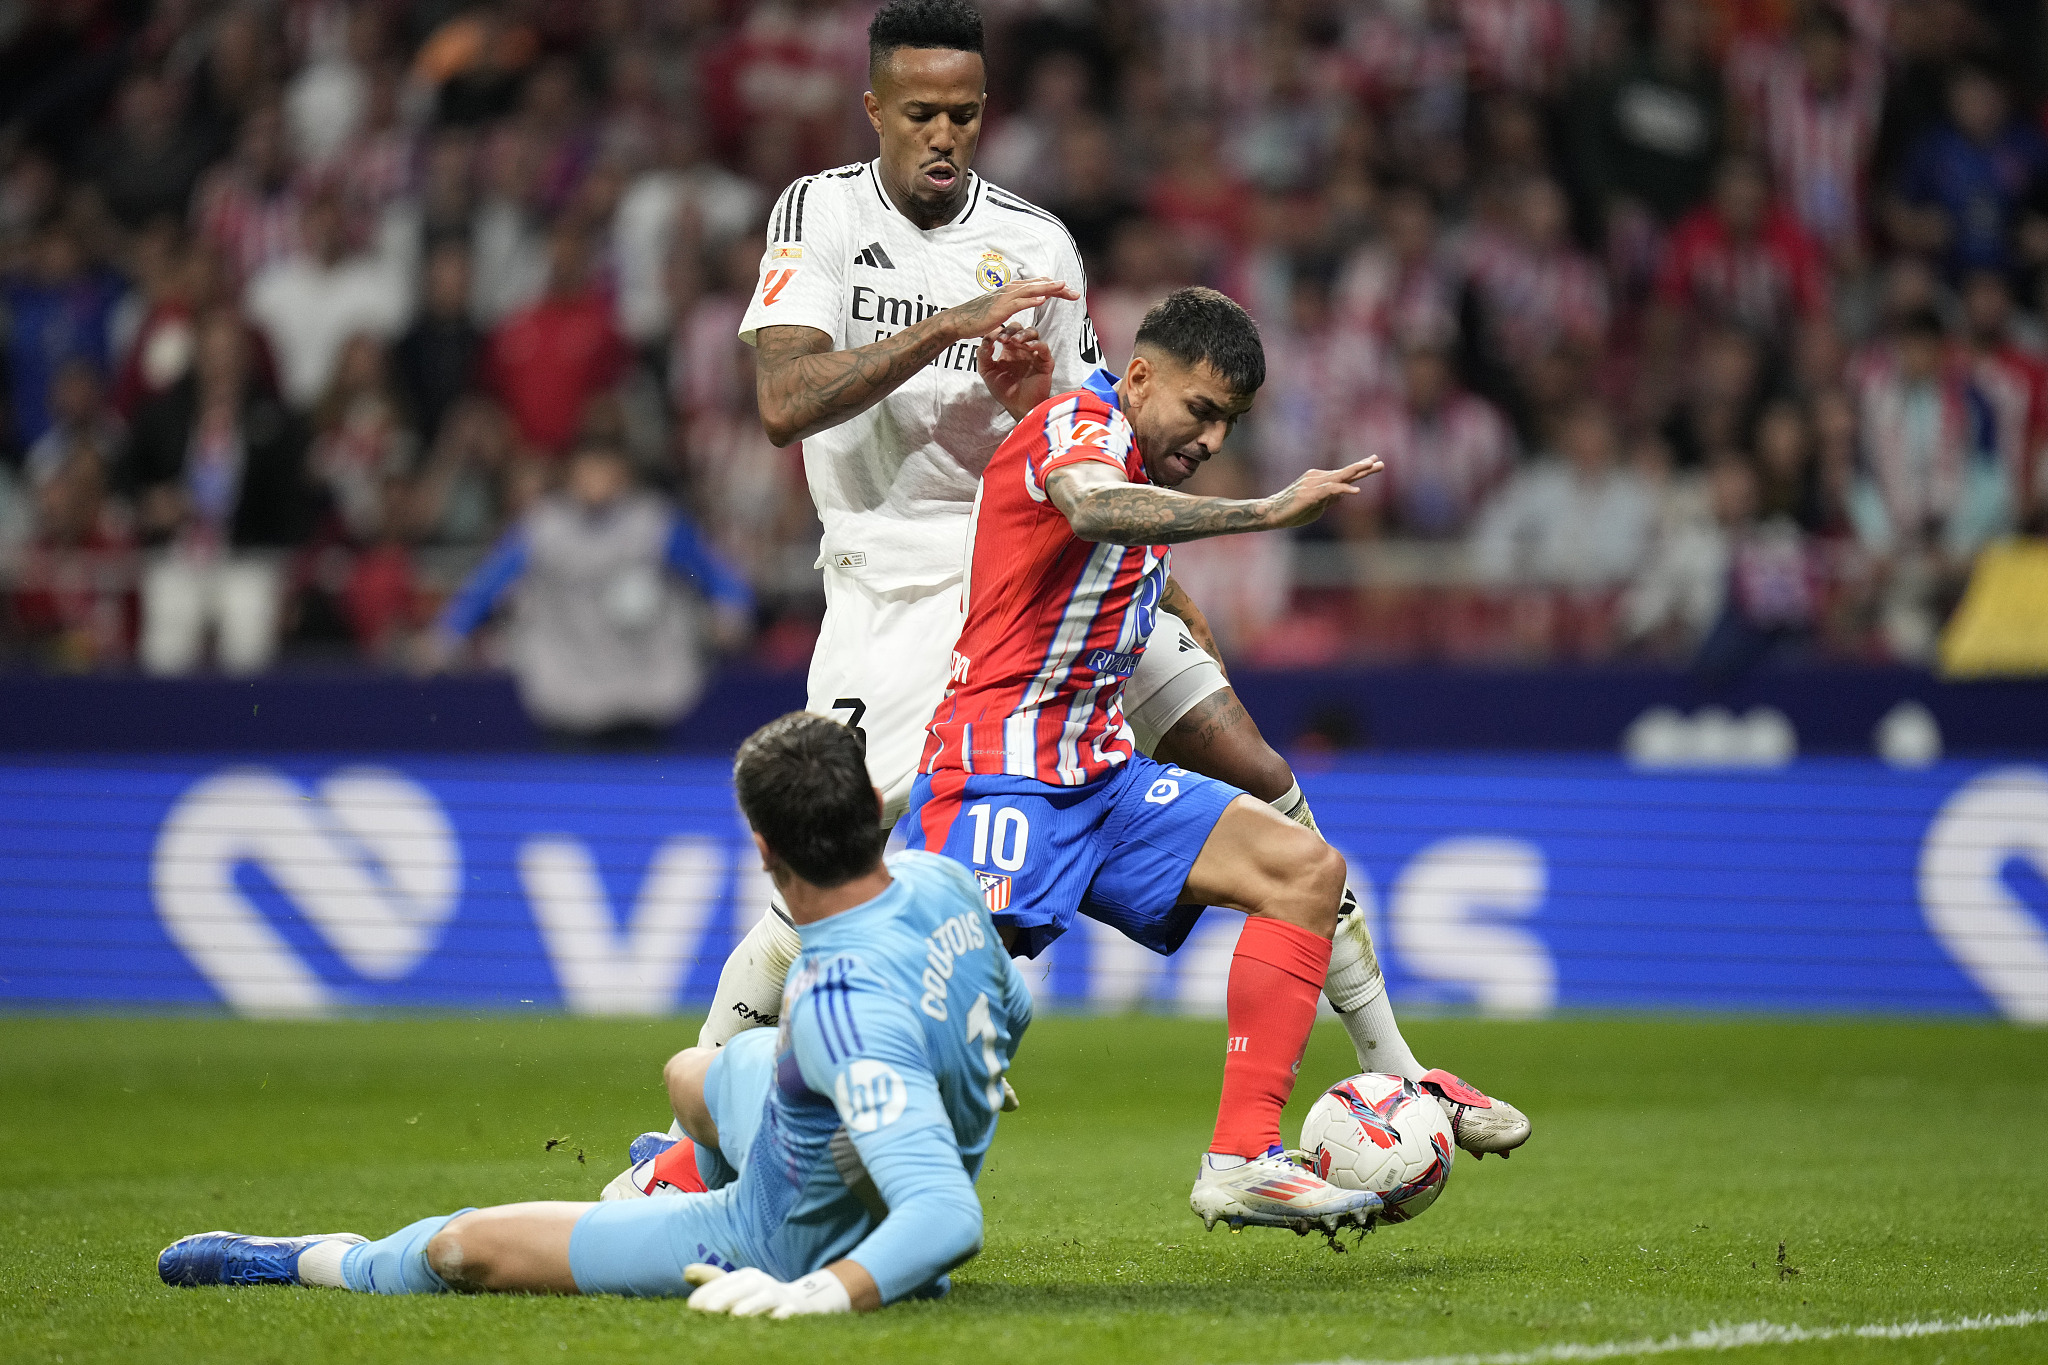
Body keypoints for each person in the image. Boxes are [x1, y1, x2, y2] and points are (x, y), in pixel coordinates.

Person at [630, 0, 1528, 1182]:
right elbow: (783, 405)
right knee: (843, 871)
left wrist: (1162, 593)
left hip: (1052, 559)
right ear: (874, 113)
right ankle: (691, 1136)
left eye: (961, 112)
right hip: (898, 588)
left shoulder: (1040, 247)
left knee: (1257, 774)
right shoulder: (823, 213)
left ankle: (1401, 1067)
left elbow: (1089, 432)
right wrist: (947, 327)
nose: (942, 134)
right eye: (918, 115)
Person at [159, 712, 1026, 1316]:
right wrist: (949, 1071)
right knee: (696, 1072)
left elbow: (946, 1215)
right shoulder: (942, 883)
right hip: (828, 1125)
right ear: (875, 809)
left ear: (763, 850)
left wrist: (820, 1290)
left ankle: (319, 1258)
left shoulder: (843, 1007)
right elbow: (1010, 1004)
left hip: (779, 1238)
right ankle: (685, 1159)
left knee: (461, 1248)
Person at [902, 286, 1386, 1231]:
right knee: (926, 1003)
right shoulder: (1074, 423)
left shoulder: (1139, 464)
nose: (1210, 439)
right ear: (1138, 376)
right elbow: (1091, 508)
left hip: (1102, 777)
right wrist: (1265, 510)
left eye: (1229, 423)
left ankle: (1243, 1157)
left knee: (1305, 869)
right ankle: (699, 1156)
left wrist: (1179, 607)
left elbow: (1111, 553)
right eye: (1200, 410)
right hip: (1000, 767)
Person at [426, 441, 752, 744]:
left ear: (623, 474)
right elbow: (488, 585)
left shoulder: (653, 524)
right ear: (570, 474)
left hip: (641, 689)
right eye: (587, 471)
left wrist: (731, 612)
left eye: (604, 470)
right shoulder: (543, 528)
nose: (595, 481)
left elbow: (714, 574)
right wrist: (447, 634)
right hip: (568, 691)